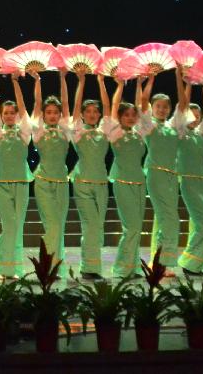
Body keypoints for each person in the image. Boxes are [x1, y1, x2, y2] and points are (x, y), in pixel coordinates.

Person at [137, 70, 189, 270]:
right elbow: (143, 102)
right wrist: (150, 79)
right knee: (170, 218)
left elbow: (183, 104)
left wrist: (179, 76)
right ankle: (162, 262)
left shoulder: (173, 126)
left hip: (172, 176)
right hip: (155, 174)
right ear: (153, 108)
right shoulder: (149, 126)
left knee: (163, 218)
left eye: (165, 106)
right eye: (158, 106)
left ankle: (156, 260)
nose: (161, 109)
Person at [0, 70, 34, 279]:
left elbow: (24, 110)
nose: (9, 115)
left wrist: (15, 82)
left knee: (18, 225)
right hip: (1, 182)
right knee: (9, 224)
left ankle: (17, 268)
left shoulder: (24, 133)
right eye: (6, 113)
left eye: (12, 112)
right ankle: (4, 268)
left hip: (22, 181)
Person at [70, 69, 116, 279]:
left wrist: (101, 81)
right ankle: (88, 268)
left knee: (98, 226)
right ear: (83, 115)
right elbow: (75, 107)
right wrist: (81, 82)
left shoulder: (104, 131)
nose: (91, 114)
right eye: (88, 111)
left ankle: (93, 267)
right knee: (90, 225)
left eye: (94, 112)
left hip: (101, 184)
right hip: (82, 183)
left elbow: (108, 108)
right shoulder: (78, 132)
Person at [174, 68, 203, 276]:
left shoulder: (201, 135)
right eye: (192, 115)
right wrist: (187, 82)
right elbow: (183, 105)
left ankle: (194, 263)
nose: (195, 119)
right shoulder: (180, 133)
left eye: (198, 116)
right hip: (188, 180)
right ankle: (188, 261)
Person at [31, 70, 72, 268]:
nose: (53, 115)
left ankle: (55, 265)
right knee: (52, 224)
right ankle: (47, 264)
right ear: (44, 115)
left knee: (59, 226)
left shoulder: (65, 130)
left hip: (62, 182)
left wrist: (63, 78)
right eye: (49, 112)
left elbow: (65, 103)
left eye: (56, 112)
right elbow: (37, 103)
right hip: (43, 182)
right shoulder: (39, 131)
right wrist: (38, 80)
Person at [108, 78, 146, 278]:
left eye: (133, 115)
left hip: (140, 182)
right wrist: (121, 85)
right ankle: (121, 268)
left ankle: (134, 266)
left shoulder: (140, 133)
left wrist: (140, 84)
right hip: (122, 182)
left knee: (137, 227)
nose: (131, 118)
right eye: (126, 115)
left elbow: (141, 105)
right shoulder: (115, 133)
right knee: (130, 226)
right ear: (120, 117)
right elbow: (114, 105)